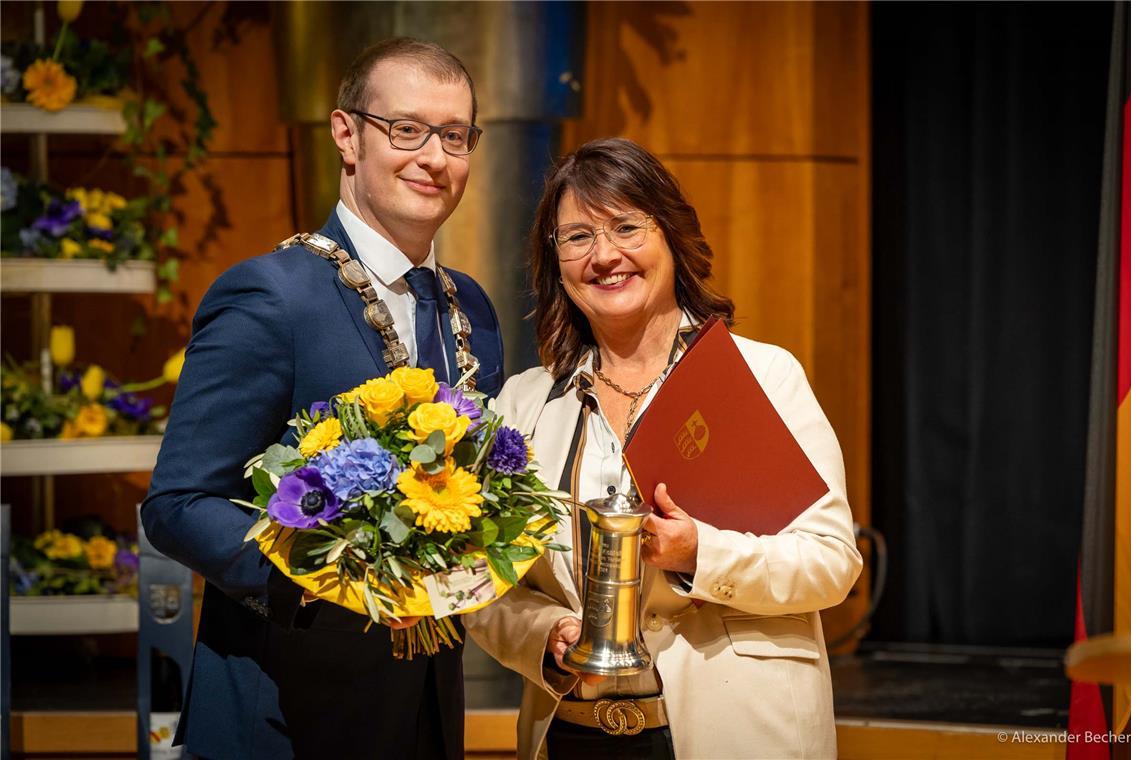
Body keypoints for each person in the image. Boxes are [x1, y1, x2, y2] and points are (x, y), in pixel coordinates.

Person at [141, 38, 503, 759]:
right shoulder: (272, 294)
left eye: (455, 136)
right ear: (347, 135)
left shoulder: (476, 313)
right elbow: (177, 504)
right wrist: (325, 570)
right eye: (406, 130)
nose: (434, 157)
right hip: (285, 716)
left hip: (429, 713)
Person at [464, 137, 862, 759]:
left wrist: (700, 553)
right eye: (577, 238)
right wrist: (544, 633)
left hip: (738, 734)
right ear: (555, 261)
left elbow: (831, 563)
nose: (605, 256)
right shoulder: (523, 404)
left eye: (627, 227)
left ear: (670, 236)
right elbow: (483, 583)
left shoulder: (759, 378)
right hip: (571, 738)